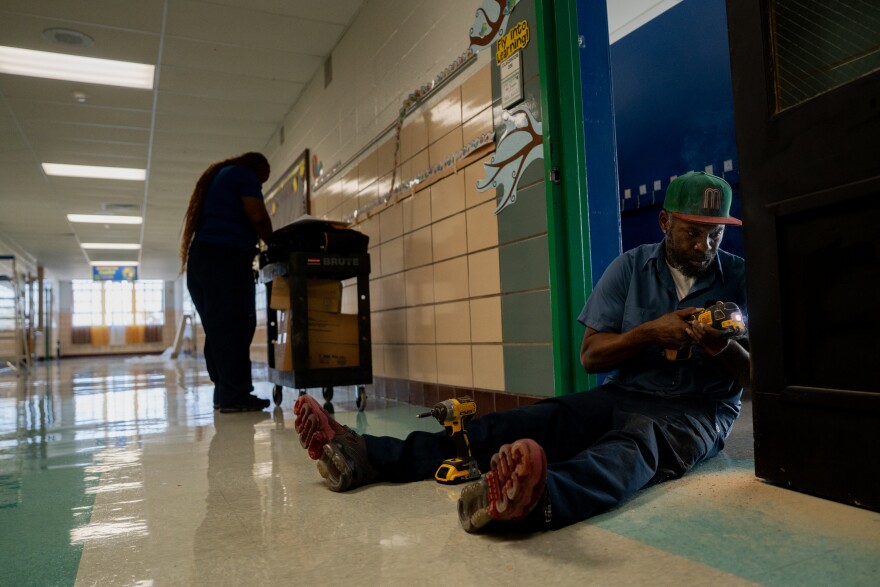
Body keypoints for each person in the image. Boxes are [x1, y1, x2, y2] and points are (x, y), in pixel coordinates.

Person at [294, 171, 749, 532]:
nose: (704, 246)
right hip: (624, 392)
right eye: (692, 232)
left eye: (715, 235)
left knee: (633, 448)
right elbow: (591, 357)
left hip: (696, 410)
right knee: (527, 421)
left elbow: (760, 380)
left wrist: (723, 347)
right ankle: (368, 456)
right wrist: (649, 334)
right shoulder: (630, 267)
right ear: (665, 221)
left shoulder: (742, 277)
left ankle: (537, 499)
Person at [181, 152, 274, 413]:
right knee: (237, 326)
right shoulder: (243, 174)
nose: (260, 186)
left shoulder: (221, 178)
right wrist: (275, 244)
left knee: (220, 329)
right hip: (224, 261)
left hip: (201, 262)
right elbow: (256, 215)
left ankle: (224, 392)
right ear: (257, 170)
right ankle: (235, 396)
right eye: (262, 182)